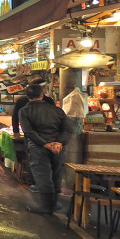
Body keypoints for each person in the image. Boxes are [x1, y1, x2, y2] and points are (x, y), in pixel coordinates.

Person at [19, 83, 76, 215]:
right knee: (56, 174)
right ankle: (54, 203)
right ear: (42, 94)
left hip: (38, 147)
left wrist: (45, 144)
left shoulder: (25, 111)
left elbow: (29, 131)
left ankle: (46, 206)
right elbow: (69, 128)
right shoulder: (57, 110)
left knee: (42, 176)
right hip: (58, 148)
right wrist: (59, 143)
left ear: (27, 96)